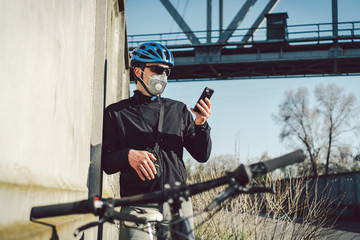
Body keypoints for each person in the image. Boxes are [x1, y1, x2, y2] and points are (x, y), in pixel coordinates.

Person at [101, 42, 212, 239]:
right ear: (138, 71)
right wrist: (128, 156)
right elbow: (107, 163)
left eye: (167, 71)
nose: (163, 76)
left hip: (178, 205)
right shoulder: (116, 113)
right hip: (137, 206)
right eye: (157, 69)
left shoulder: (179, 110)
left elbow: (202, 155)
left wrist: (201, 125)